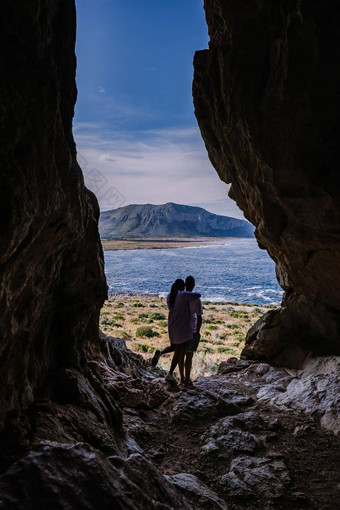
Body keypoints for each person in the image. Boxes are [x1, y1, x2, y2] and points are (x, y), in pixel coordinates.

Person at [152, 278, 200, 384]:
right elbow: (197, 295)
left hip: (172, 324)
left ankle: (161, 353)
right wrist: (187, 291)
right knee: (178, 352)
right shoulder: (183, 295)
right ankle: (170, 374)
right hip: (180, 327)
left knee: (174, 347)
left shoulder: (170, 296)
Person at [181, 275, 203, 387]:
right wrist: (197, 331)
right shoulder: (196, 299)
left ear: (185, 285)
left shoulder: (180, 297)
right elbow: (199, 317)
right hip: (192, 330)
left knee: (180, 355)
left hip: (180, 330)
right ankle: (187, 380)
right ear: (194, 285)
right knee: (189, 356)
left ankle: (181, 378)